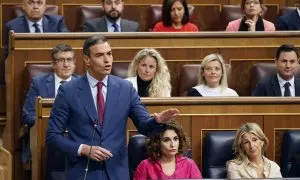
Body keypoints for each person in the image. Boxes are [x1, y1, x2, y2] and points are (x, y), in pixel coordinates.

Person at [46, 35, 179, 180]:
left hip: (116, 172)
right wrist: (83, 149)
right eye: (99, 55)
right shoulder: (68, 91)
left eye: (109, 54)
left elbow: (145, 126)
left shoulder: (125, 88)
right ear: (87, 60)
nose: (107, 60)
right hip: (83, 171)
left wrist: (157, 121)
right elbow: (53, 136)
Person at [134, 120, 202, 179]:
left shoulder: (189, 164)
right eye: (166, 140)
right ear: (157, 143)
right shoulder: (145, 165)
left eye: (175, 139)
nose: (172, 144)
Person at [3, 0, 68, 59]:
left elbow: (67, 46)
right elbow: (8, 56)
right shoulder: (12, 26)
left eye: (39, 3)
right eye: (31, 3)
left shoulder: (57, 22)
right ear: (24, 6)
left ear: (45, 6)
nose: (35, 7)